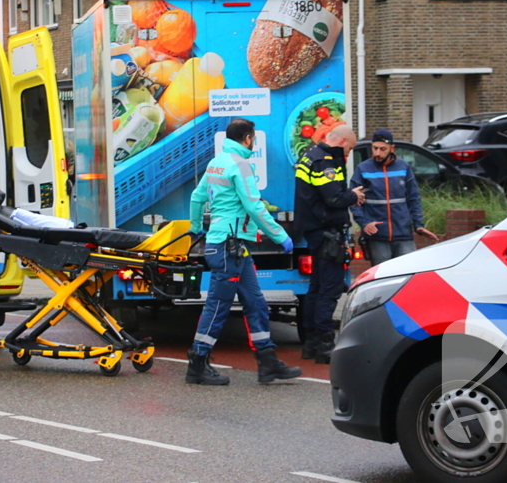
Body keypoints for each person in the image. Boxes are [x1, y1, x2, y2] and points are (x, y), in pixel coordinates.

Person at [187, 117, 302, 386]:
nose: (254, 144)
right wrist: (281, 236)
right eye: (254, 139)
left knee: (256, 302)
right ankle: (198, 363)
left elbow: (196, 197)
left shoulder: (217, 163)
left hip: (230, 246)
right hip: (230, 247)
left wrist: (196, 228)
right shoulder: (240, 165)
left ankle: (268, 362)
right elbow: (254, 206)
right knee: (218, 306)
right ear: (248, 138)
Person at [294, 124, 365, 364]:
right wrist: (354, 196)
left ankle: (311, 344)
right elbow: (333, 197)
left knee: (315, 288)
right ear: (342, 140)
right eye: (350, 148)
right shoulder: (325, 162)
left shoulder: (309, 156)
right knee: (329, 289)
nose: (348, 154)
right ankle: (325, 345)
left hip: (316, 231)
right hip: (327, 232)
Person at [351, 129, 439, 268]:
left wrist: (418, 225)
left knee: (407, 273)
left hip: (403, 233)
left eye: (382, 149)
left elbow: (413, 197)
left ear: (392, 148)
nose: (378, 153)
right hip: (377, 236)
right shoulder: (363, 168)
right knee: (381, 275)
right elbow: (354, 200)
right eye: (375, 148)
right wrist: (364, 223)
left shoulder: (403, 167)